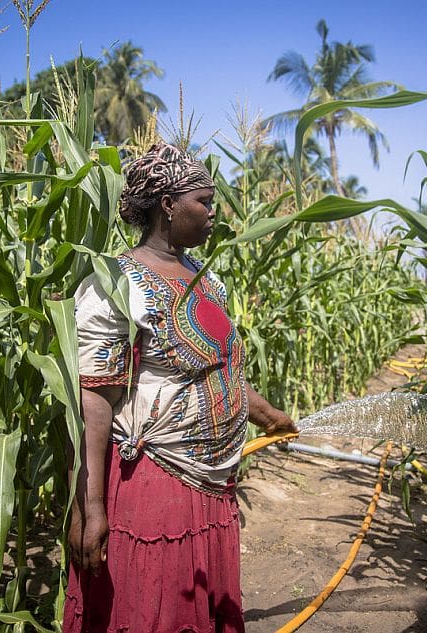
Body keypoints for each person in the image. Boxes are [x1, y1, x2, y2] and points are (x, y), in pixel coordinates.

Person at [65, 142, 297, 633]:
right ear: (168, 206)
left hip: (214, 485)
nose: (214, 213)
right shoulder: (117, 282)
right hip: (155, 487)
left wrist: (271, 416)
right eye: (205, 201)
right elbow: (93, 402)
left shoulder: (205, 280)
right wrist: (89, 507)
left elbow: (221, 371)